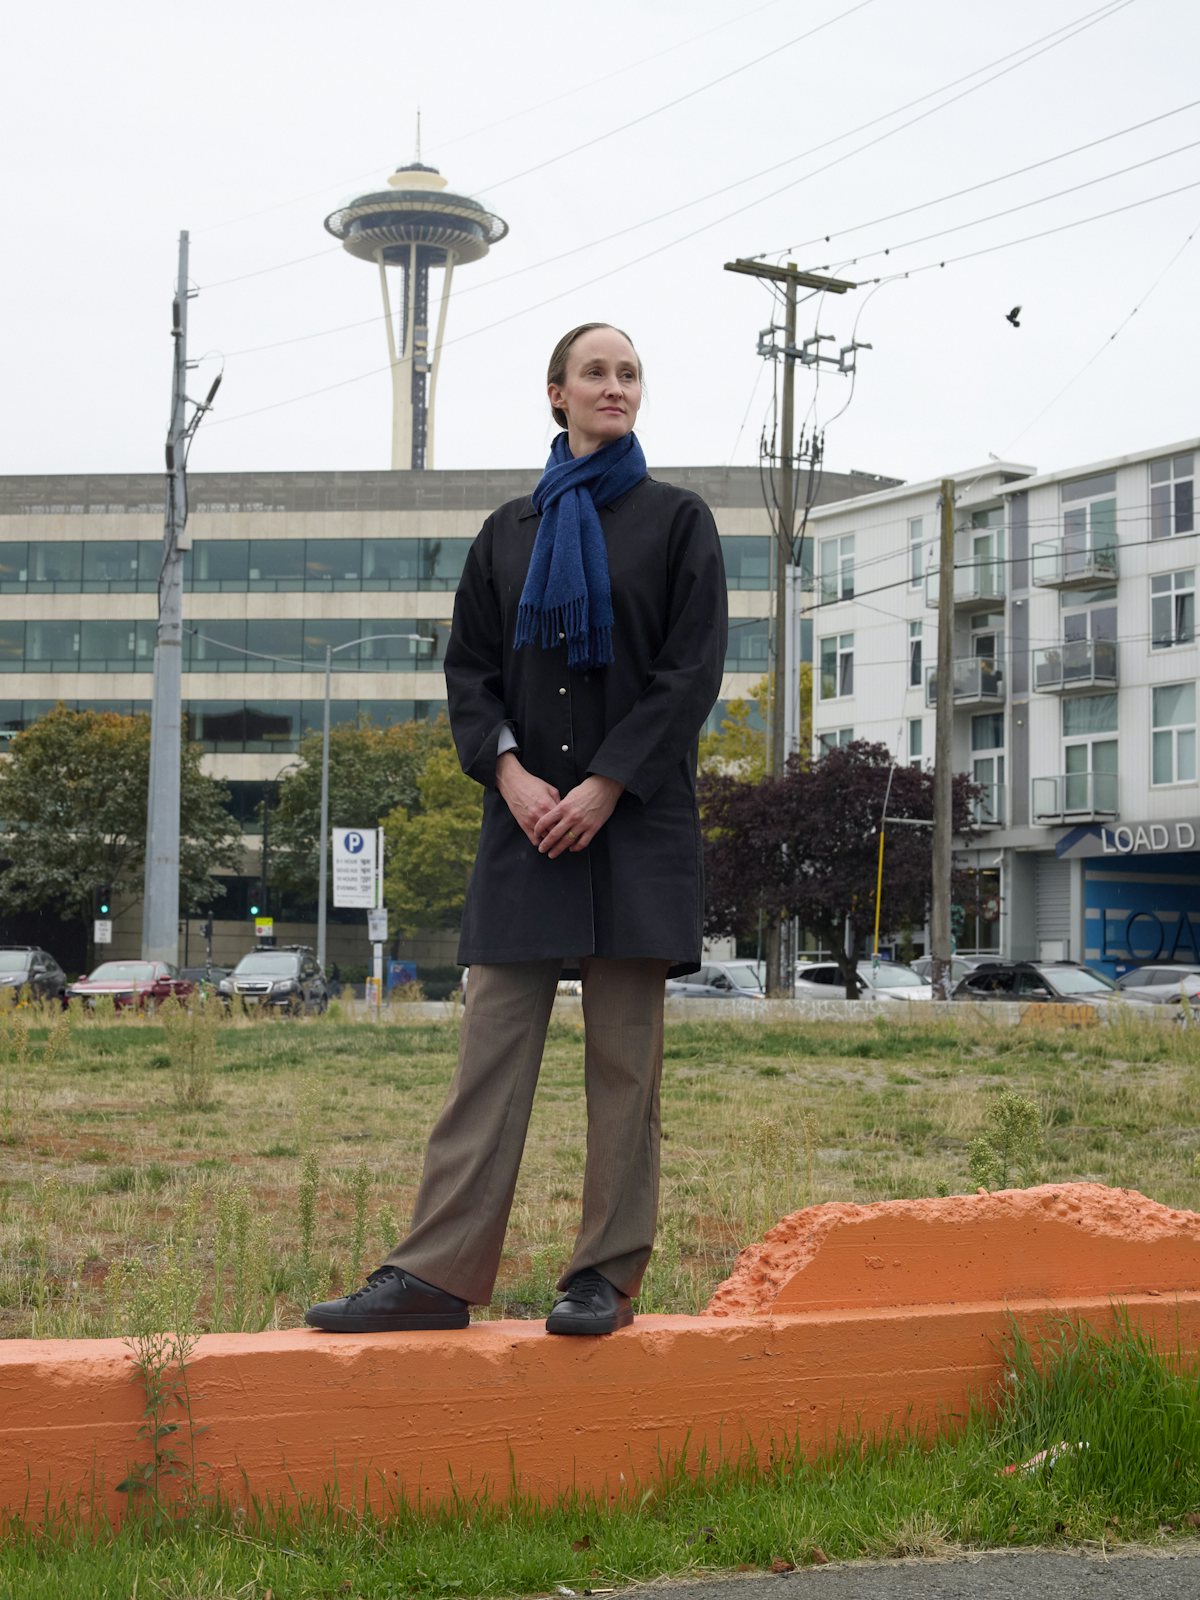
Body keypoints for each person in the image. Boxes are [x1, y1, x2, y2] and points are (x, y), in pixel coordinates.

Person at [306, 323, 727, 1337]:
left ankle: (603, 1277)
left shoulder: (678, 521)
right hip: (524, 827)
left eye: (630, 372)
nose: (615, 386)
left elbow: (690, 673)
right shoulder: (507, 533)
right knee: (487, 1056)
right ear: (557, 394)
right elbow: (470, 673)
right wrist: (510, 772)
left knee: (625, 1068)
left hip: (635, 827)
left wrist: (606, 784)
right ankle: (435, 1274)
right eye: (596, 372)